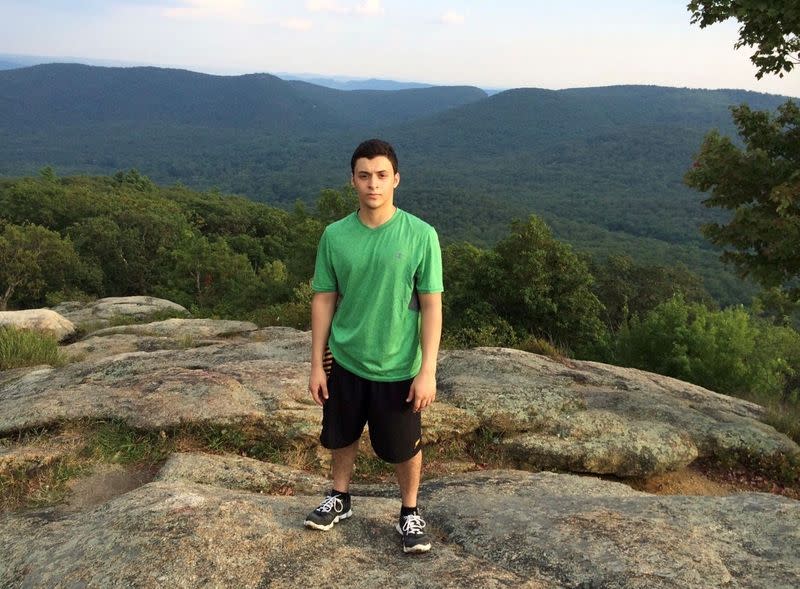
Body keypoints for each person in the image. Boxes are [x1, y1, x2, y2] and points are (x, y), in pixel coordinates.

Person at [303, 138, 443, 554]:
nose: (373, 184)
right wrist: (316, 362)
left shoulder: (421, 235)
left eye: (382, 175)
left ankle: (409, 511)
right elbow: (324, 297)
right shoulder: (335, 235)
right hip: (345, 360)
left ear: (396, 179)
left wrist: (427, 370)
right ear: (352, 181)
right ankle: (340, 498)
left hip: (398, 365)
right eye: (364, 175)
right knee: (341, 435)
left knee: (404, 446)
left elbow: (432, 305)